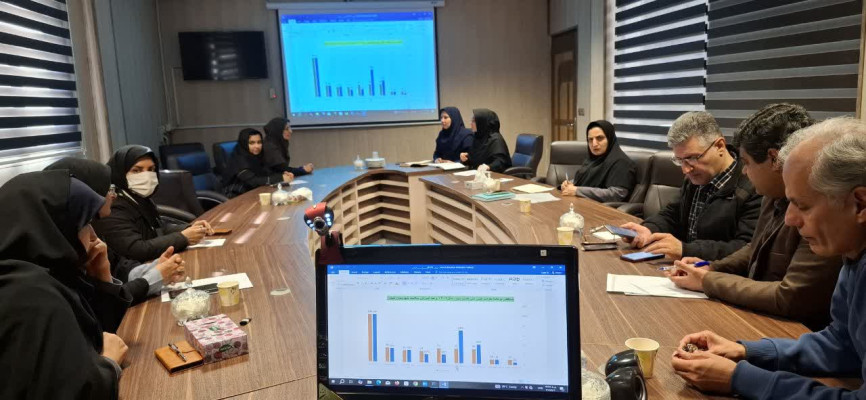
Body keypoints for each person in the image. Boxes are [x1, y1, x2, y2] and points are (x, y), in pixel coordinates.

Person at [671, 117, 866, 399]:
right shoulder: (853, 251)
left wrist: (741, 379)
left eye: (802, 206)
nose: (790, 219)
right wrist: (746, 351)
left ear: (860, 204)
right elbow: (841, 344)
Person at [666, 104, 842, 331]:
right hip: (763, 319)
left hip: (792, 330)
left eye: (746, 162)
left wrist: (708, 281)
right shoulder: (771, 193)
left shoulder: (826, 208)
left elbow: (792, 296)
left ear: (775, 159)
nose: (744, 171)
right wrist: (712, 268)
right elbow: (755, 246)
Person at [0, 170, 132, 399]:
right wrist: (109, 365)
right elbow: (72, 391)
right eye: (86, 223)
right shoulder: (32, 294)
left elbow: (98, 335)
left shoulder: (44, 273)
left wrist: (102, 275)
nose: (94, 236)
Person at [621, 111, 762, 261]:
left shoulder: (755, 186)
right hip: (684, 266)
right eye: (680, 160)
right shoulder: (695, 178)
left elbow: (746, 249)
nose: (685, 170)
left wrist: (686, 249)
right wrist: (648, 229)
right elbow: (672, 215)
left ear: (719, 146)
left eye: (692, 158)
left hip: (717, 271)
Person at [46, 158, 186, 304]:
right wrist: (154, 277)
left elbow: (118, 265)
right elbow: (99, 304)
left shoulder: (89, 223)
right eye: (108, 189)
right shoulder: (61, 243)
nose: (114, 195)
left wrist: (151, 268)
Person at [93, 145, 213, 262]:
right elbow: (136, 250)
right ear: (120, 172)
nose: (146, 175)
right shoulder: (112, 206)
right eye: (136, 170)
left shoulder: (138, 197)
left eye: (151, 169)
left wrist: (190, 229)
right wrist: (183, 238)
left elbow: (158, 228)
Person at [561, 120, 637, 202]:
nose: (594, 144)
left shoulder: (621, 162)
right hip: (582, 203)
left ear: (610, 138)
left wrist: (577, 190)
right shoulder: (592, 160)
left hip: (603, 208)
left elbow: (617, 194)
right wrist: (570, 184)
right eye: (590, 139)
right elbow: (585, 180)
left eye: (599, 138)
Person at [222, 128, 294, 198]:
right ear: (244, 143)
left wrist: (284, 175)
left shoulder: (257, 156)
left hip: (252, 193)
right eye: (252, 143)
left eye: (259, 142)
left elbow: (266, 174)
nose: (257, 146)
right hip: (235, 196)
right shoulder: (239, 159)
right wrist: (280, 178)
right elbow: (253, 181)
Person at [459, 108, 512, 173]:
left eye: (474, 121)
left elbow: (501, 162)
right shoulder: (478, 137)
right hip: (478, 174)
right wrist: (465, 159)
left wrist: (489, 166)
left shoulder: (496, 139)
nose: (470, 123)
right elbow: (476, 161)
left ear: (482, 123)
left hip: (494, 175)